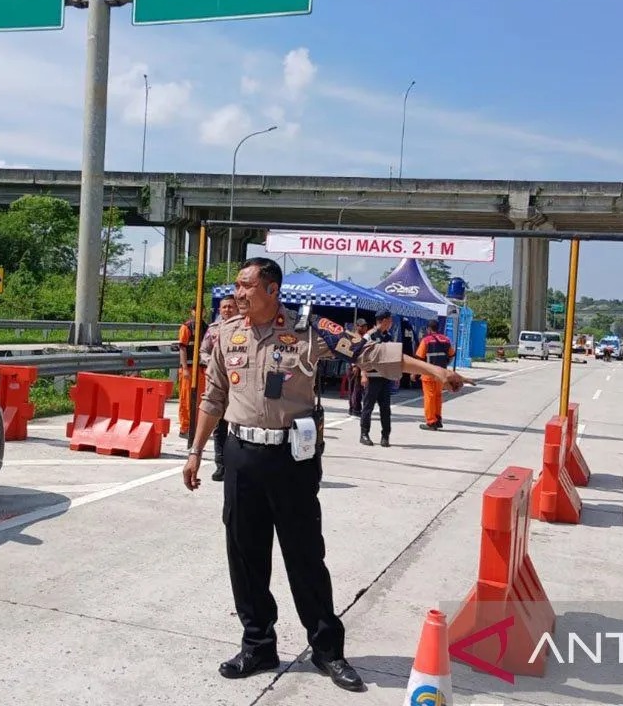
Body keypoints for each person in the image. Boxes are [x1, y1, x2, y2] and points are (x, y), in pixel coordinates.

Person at [182, 258, 466, 693]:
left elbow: (374, 353)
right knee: (244, 555)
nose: (237, 294)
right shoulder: (224, 334)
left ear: (272, 289)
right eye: (237, 287)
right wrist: (196, 451)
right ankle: (257, 644)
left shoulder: (309, 331)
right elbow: (214, 396)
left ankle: (327, 650)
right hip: (241, 455)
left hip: (291, 461)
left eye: (246, 286)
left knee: (305, 557)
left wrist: (435, 371)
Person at [200, 295, 239, 481]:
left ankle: (237, 465)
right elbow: (203, 351)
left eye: (231, 307)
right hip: (218, 385)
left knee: (239, 426)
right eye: (224, 307)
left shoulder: (245, 328)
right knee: (220, 427)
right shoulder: (214, 329)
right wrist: (214, 364)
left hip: (238, 385)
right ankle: (221, 465)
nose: (227, 310)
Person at [359, 310, 395, 447]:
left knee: (385, 409)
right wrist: (363, 374)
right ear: (384, 320)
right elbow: (361, 355)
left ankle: (385, 436)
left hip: (385, 377)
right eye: (390, 320)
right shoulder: (370, 335)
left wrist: (394, 372)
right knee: (368, 407)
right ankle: (364, 434)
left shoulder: (389, 336)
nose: (391, 323)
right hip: (372, 377)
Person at [414, 319, 455, 430]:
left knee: (429, 397)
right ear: (438, 328)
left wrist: (414, 373)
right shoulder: (446, 340)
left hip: (429, 374)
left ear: (428, 329)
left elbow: (419, 358)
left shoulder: (426, 340)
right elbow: (452, 354)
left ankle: (431, 422)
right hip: (441, 374)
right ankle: (438, 419)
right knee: (437, 397)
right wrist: (446, 364)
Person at [178, 307, 209, 442]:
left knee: (200, 399)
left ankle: (196, 426)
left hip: (201, 369)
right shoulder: (187, 327)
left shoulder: (206, 327)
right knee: (186, 399)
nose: (199, 312)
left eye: (202, 310)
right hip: (189, 369)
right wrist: (184, 368)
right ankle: (185, 428)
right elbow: (182, 348)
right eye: (196, 310)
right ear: (192, 312)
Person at [346, 318, 370, 416]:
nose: (364, 328)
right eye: (362, 326)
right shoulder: (354, 338)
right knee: (356, 389)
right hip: (354, 365)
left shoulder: (364, 338)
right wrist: (354, 365)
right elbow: (350, 352)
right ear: (357, 326)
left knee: (355, 389)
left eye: (365, 326)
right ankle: (355, 409)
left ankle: (353, 408)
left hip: (360, 365)